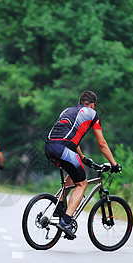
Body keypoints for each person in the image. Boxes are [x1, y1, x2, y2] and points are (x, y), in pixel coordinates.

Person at [45, 91, 122, 239]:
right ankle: (66, 221)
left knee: (72, 175)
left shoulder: (67, 111)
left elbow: (71, 138)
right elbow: (102, 144)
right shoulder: (92, 114)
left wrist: (83, 158)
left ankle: (59, 209)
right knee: (82, 184)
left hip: (49, 147)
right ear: (93, 105)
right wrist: (114, 164)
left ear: (80, 102)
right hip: (64, 148)